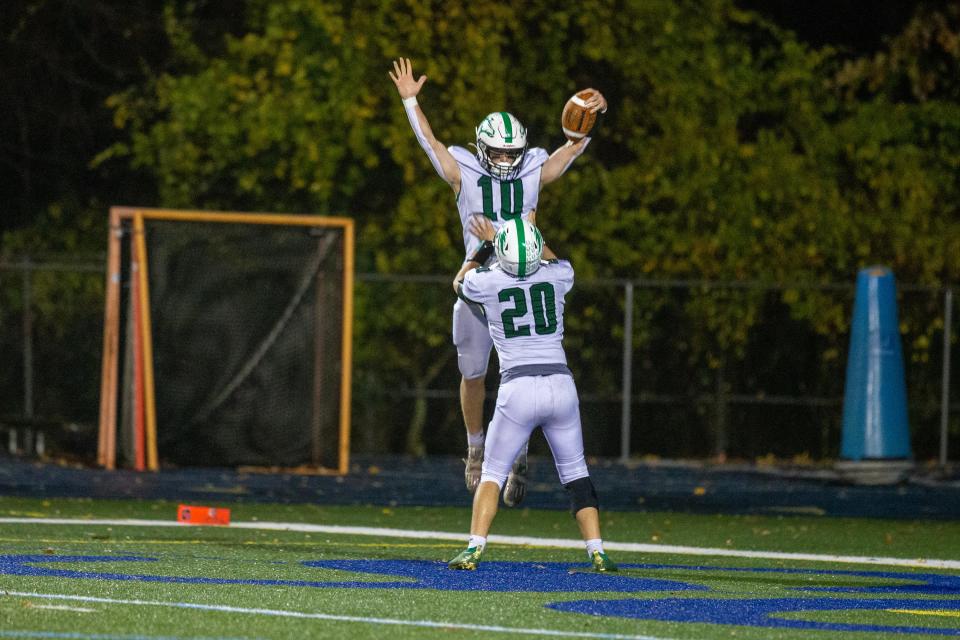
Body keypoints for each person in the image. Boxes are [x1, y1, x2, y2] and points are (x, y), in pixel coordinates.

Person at [388, 57, 607, 506]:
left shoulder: (532, 168)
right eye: (500, 152)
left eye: (513, 153)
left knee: (519, 374)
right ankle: (475, 446)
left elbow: (567, 153)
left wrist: (589, 117)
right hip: (481, 278)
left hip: (523, 284)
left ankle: (518, 453)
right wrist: (410, 101)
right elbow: (430, 143)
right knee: (473, 375)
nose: (507, 160)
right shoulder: (464, 168)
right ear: (482, 148)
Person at [446, 216, 617, 573]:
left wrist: (488, 243)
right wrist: (533, 233)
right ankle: (598, 551)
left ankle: (475, 548)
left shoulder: (487, 282)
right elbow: (553, 261)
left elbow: (459, 281)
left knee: (492, 472)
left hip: (518, 388)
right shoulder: (557, 276)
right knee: (576, 474)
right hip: (561, 386)